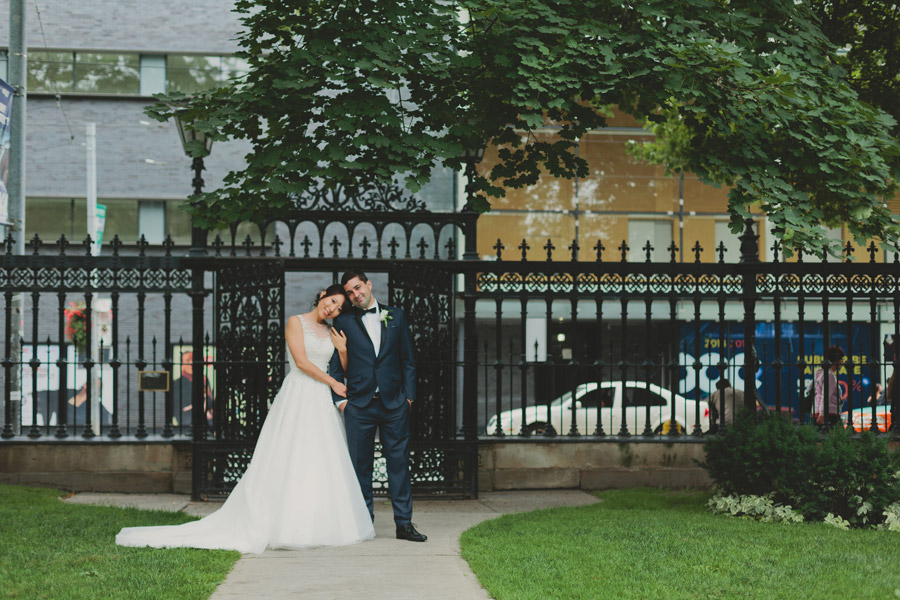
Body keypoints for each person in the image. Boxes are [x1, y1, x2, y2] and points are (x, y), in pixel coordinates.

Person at [116, 285, 374, 553]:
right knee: (290, 455)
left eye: (339, 308)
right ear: (322, 295)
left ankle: (318, 523)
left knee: (320, 458)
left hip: (320, 398)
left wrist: (342, 350)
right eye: (332, 301)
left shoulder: (330, 332)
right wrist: (333, 382)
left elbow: (340, 367)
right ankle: (285, 523)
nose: (332, 309)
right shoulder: (296, 322)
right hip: (299, 393)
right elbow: (301, 362)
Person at [329, 269, 425, 542]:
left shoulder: (396, 316)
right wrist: (342, 402)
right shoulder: (344, 321)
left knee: (399, 464)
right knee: (361, 467)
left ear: (369, 285)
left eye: (358, 287)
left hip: (394, 404)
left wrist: (409, 398)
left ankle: (404, 524)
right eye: (350, 292)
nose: (355, 294)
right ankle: (363, 524)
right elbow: (336, 365)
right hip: (359, 406)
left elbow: (407, 360)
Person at [813, 345, 845, 429]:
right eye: (841, 359)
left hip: (818, 412)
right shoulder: (829, 375)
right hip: (829, 414)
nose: (842, 362)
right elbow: (825, 396)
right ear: (835, 361)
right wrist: (823, 414)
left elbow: (813, 390)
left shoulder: (819, 373)